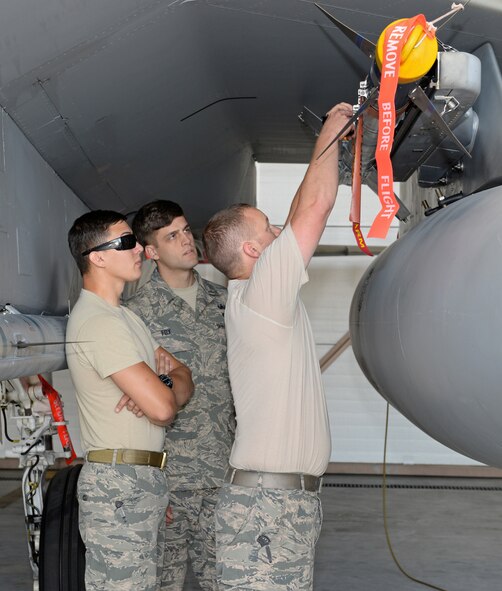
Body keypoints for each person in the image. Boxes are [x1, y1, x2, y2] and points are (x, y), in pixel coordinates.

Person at [202, 102, 353, 591]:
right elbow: (312, 208)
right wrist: (332, 129)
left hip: (283, 505)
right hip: (267, 508)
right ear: (252, 251)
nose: (278, 234)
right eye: (267, 228)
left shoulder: (261, 298)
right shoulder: (262, 292)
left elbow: (298, 215)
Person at [66, 209, 194, 591]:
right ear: (98, 257)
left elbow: (185, 378)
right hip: (118, 484)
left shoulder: (126, 319)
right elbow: (164, 408)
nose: (138, 248)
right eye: (126, 242)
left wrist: (160, 381)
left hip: (143, 476)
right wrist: (160, 390)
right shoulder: (99, 323)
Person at [124, 200, 235, 590]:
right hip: (168, 480)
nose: (187, 240)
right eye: (172, 236)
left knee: (226, 582)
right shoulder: (135, 315)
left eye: (187, 230)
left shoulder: (226, 304)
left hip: (224, 474)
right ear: (150, 252)